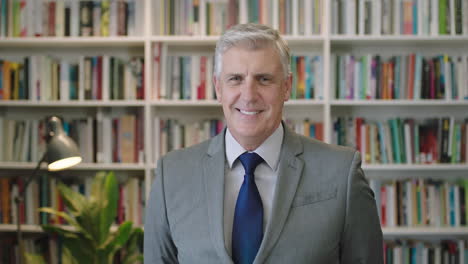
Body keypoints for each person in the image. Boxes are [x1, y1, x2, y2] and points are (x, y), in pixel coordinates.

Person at [144, 23, 383, 264]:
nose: (248, 95)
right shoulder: (171, 175)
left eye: (264, 79)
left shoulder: (342, 171)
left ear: (287, 87)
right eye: (235, 79)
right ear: (218, 88)